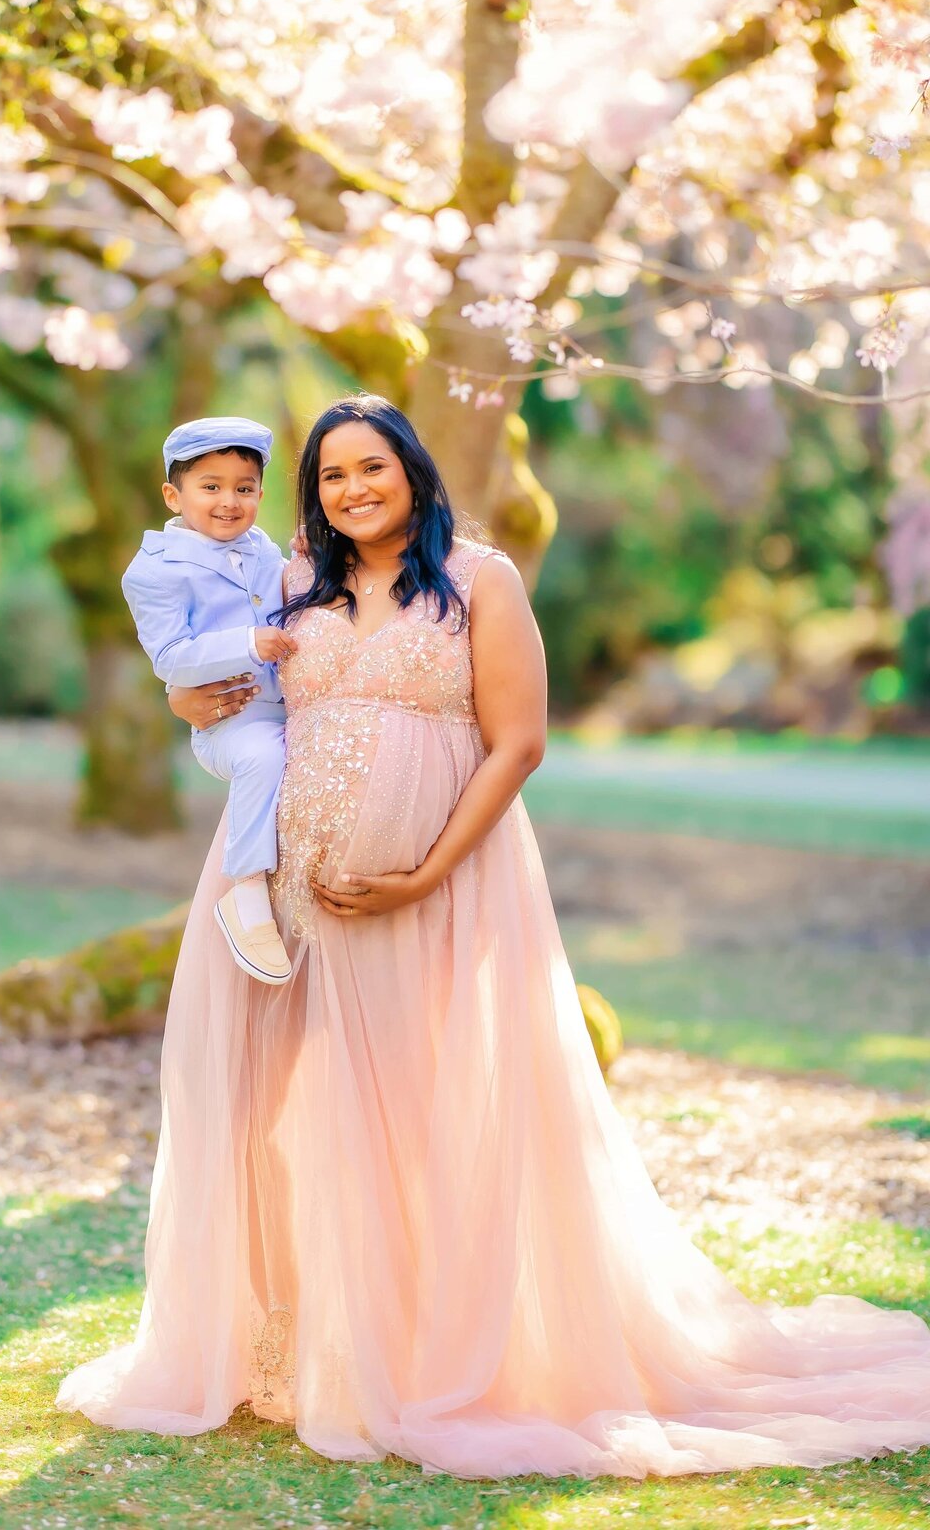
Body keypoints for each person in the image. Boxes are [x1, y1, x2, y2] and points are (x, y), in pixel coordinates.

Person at [58, 394, 930, 1479]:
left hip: (433, 888)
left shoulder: (481, 579)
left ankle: (432, 1355)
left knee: (429, 1105)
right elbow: (222, 687)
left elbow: (517, 745)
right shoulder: (291, 580)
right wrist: (191, 708)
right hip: (280, 887)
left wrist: (425, 870)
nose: (352, 490)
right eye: (330, 476)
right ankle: (296, 1344)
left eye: (371, 467)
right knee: (267, 1107)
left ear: (414, 471)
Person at [121, 414, 295, 985]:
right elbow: (170, 655)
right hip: (231, 722)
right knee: (263, 757)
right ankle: (245, 893)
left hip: (291, 711)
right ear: (174, 496)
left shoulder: (267, 552)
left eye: (244, 489)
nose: (229, 502)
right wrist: (247, 643)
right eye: (210, 486)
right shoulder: (156, 572)